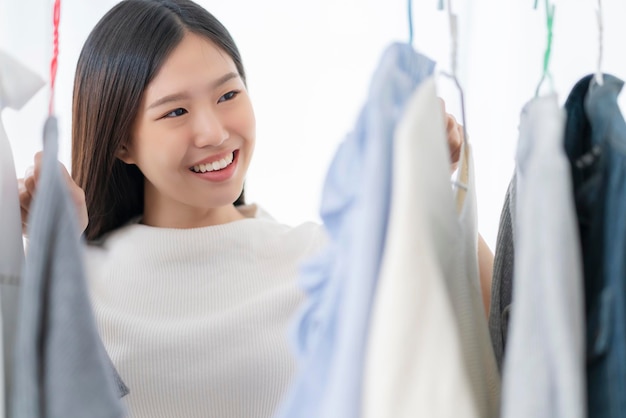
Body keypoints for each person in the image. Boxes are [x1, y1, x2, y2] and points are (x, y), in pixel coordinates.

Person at [17, 0, 494, 416]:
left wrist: (430, 192)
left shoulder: (323, 261)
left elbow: (491, 331)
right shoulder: (80, 282)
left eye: (228, 95)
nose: (214, 132)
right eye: (175, 112)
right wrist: (51, 254)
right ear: (122, 142)